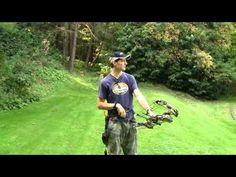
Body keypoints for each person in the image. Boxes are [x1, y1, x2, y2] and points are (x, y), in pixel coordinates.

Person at [97, 51, 156, 155]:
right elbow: (100, 104)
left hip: (130, 121)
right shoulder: (105, 82)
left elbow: (138, 95)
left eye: (125, 60)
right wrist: (116, 105)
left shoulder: (129, 78)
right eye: (123, 60)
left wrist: (149, 111)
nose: (126, 63)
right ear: (114, 62)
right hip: (115, 123)